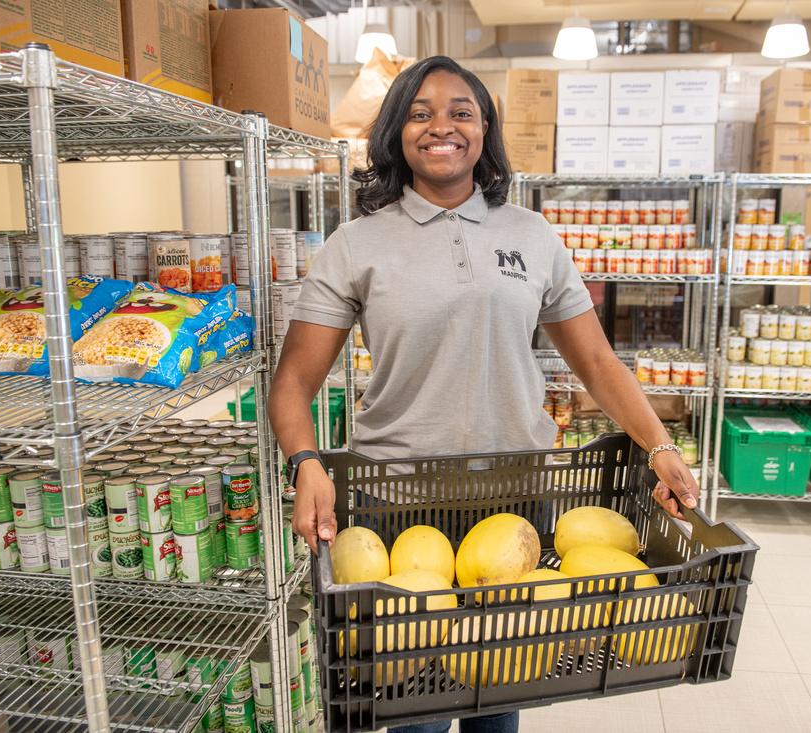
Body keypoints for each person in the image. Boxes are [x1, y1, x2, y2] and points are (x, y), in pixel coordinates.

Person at [269, 55, 700, 733]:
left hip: (515, 493)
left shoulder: (531, 234)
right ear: (395, 133)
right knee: (414, 701)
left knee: (498, 696)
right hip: (400, 495)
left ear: (485, 130)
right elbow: (294, 378)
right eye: (420, 112)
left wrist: (660, 443)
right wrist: (306, 461)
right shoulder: (356, 244)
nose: (441, 126)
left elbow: (593, 358)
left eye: (460, 111)